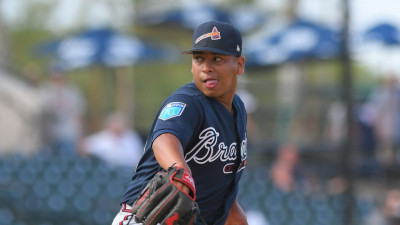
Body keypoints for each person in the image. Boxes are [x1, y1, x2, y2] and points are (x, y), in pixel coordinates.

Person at [112, 21, 248, 225]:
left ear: (239, 65)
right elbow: (165, 139)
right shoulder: (188, 101)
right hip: (144, 218)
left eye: (217, 59)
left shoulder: (238, 109)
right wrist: (180, 172)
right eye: (199, 59)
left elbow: (223, 195)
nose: (206, 68)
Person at [39, 65, 87, 150]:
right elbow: (42, 112)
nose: (58, 81)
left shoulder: (73, 92)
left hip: (69, 135)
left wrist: (81, 137)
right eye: (55, 78)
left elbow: (81, 115)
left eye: (60, 77)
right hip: (50, 136)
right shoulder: (45, 91)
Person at [79, 111, 144, 168]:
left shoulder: (131, 137)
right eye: (115, 123)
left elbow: (138, 157)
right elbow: (85, 146)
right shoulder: (102, 137)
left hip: (128, 171)